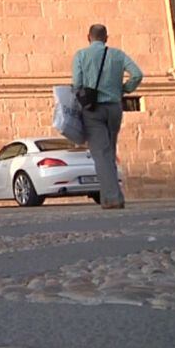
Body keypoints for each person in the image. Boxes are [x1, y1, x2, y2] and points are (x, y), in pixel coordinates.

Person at [72, 24, 143, 210]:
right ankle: (111, 195)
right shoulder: (118, 54)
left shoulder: (80, 55)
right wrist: (125, 89)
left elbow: (77, 84)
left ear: (88, 37)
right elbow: (137, 74)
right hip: (114, 107)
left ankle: (112, 199)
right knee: (109, 152)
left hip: (92, 109)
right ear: (106, 38)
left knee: (101, 154)